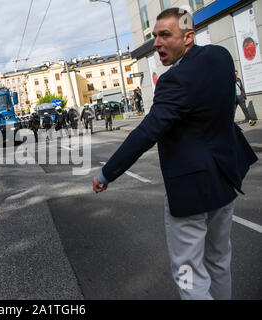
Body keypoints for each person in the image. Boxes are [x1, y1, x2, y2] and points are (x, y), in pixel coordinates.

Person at [93, 8, 258, 300]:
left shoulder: (175, 80)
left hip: (191, 190)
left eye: (165, 35)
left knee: (188, 274)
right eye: (155, 36)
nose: (156, 43)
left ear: (189, 37)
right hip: (226, 178)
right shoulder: (220, 57)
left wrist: (107, 173)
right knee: (219, 261)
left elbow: (145, 133)